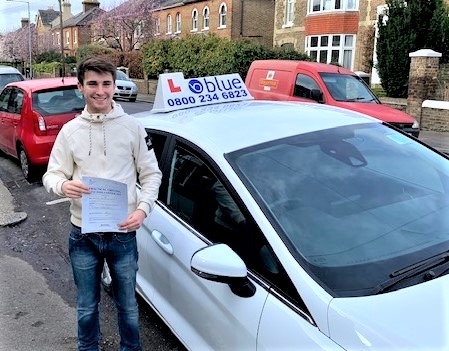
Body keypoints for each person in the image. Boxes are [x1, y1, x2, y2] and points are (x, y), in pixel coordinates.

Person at [43, 57, 162, 351]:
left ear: (113, 85)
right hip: (83, 234)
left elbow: (151, 175)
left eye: (106, 83)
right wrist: (62, 184)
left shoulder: (133, 127)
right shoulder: (70, 131)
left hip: (123, 234)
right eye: (93, 84)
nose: (100, 91)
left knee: (128, 307)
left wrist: (143, 209)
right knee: (86, 307)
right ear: (81, 87)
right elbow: (51, 174)